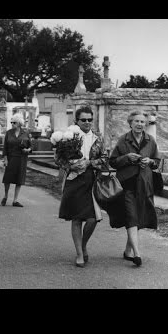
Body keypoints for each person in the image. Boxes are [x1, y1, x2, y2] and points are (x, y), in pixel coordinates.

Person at [108, 110, 161, 267]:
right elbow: (113, 161)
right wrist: (127, 158)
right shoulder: (123, 140)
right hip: (127, 184)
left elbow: (157, 161)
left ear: (145, 124)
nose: (139, 124)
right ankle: (137, 254)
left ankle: (127, 251)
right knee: (131, 216)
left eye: (142, 122)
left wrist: (150, 162)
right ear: (130, 123)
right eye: (136, 121)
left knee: (138, 217)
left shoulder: (150, 140)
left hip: (144, 184)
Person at [57, 106, 108, 268]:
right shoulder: (68, 137)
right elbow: (58, 159)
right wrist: (72, 164)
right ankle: (79, 253)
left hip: (92, 180)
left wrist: (89, 163)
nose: (87, 122)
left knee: (93, 219)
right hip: (74, 180)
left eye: (89, 119)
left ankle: (83, 244)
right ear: (76, 121)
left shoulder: (98, 137)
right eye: (83, 120)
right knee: (77, 218)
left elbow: (105, 159)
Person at [1, 113, 32, 207]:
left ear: (19, 123)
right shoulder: (8, 133)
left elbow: (31, 146)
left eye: (14, 122)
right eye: (11, 122)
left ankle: (15, 200)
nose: (12, 124)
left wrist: (28, 150)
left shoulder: (25, 133)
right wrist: (5, 159)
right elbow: (5, 147)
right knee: (7, 179)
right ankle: (5, 196)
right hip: (11, 158)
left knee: (19, 179)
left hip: (22, 159)